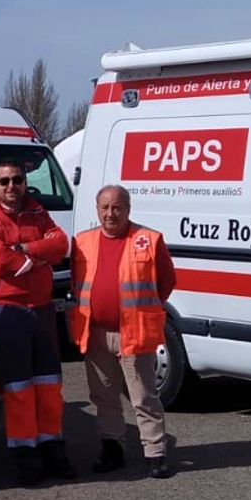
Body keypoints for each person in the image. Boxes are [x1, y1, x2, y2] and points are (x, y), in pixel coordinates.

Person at [0, 160, 73, 486]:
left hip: (41, 308)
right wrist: (38, 258)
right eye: (5, 181)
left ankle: (52, 446)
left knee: (49, 384)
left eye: (17, 180)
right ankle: (26, 454)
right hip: (8, 310)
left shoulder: (38, 213)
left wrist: (26, 249)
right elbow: (0, 260)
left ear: (25, 183)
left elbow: (61, 244)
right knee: (19, 388)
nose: (11, 186)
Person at [68, 185, 177, 479]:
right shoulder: (82, 242)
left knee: (143, 396)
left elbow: (166, 282)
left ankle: (155, 453)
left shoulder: (149, 240)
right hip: (96, 333)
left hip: (135, 333)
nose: (110, 214)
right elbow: (77, 283)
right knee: (104, 397)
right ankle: (112, 449)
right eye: (104, 208)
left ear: (128, 209)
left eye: (117, 207)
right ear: (97, 209)